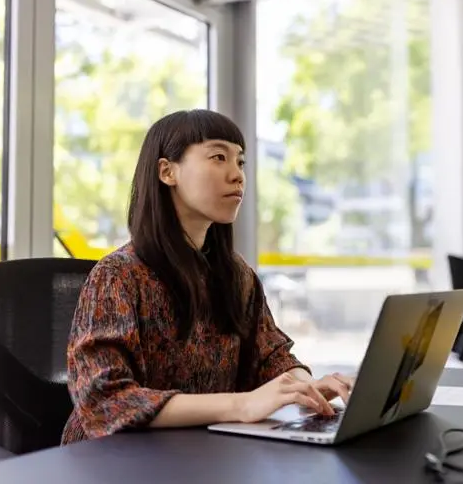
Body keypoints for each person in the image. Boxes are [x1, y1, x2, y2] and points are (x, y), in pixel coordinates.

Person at [61, 109, 352, 445]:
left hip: (198, 454)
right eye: (218, 157)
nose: (237, 175)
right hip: (109, 461)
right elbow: (105, 401)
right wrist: (240, 405)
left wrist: (305, 386)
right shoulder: (118, 276)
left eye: (240, 162)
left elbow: (272, 355)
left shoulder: (237, 274)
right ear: (167, 171)